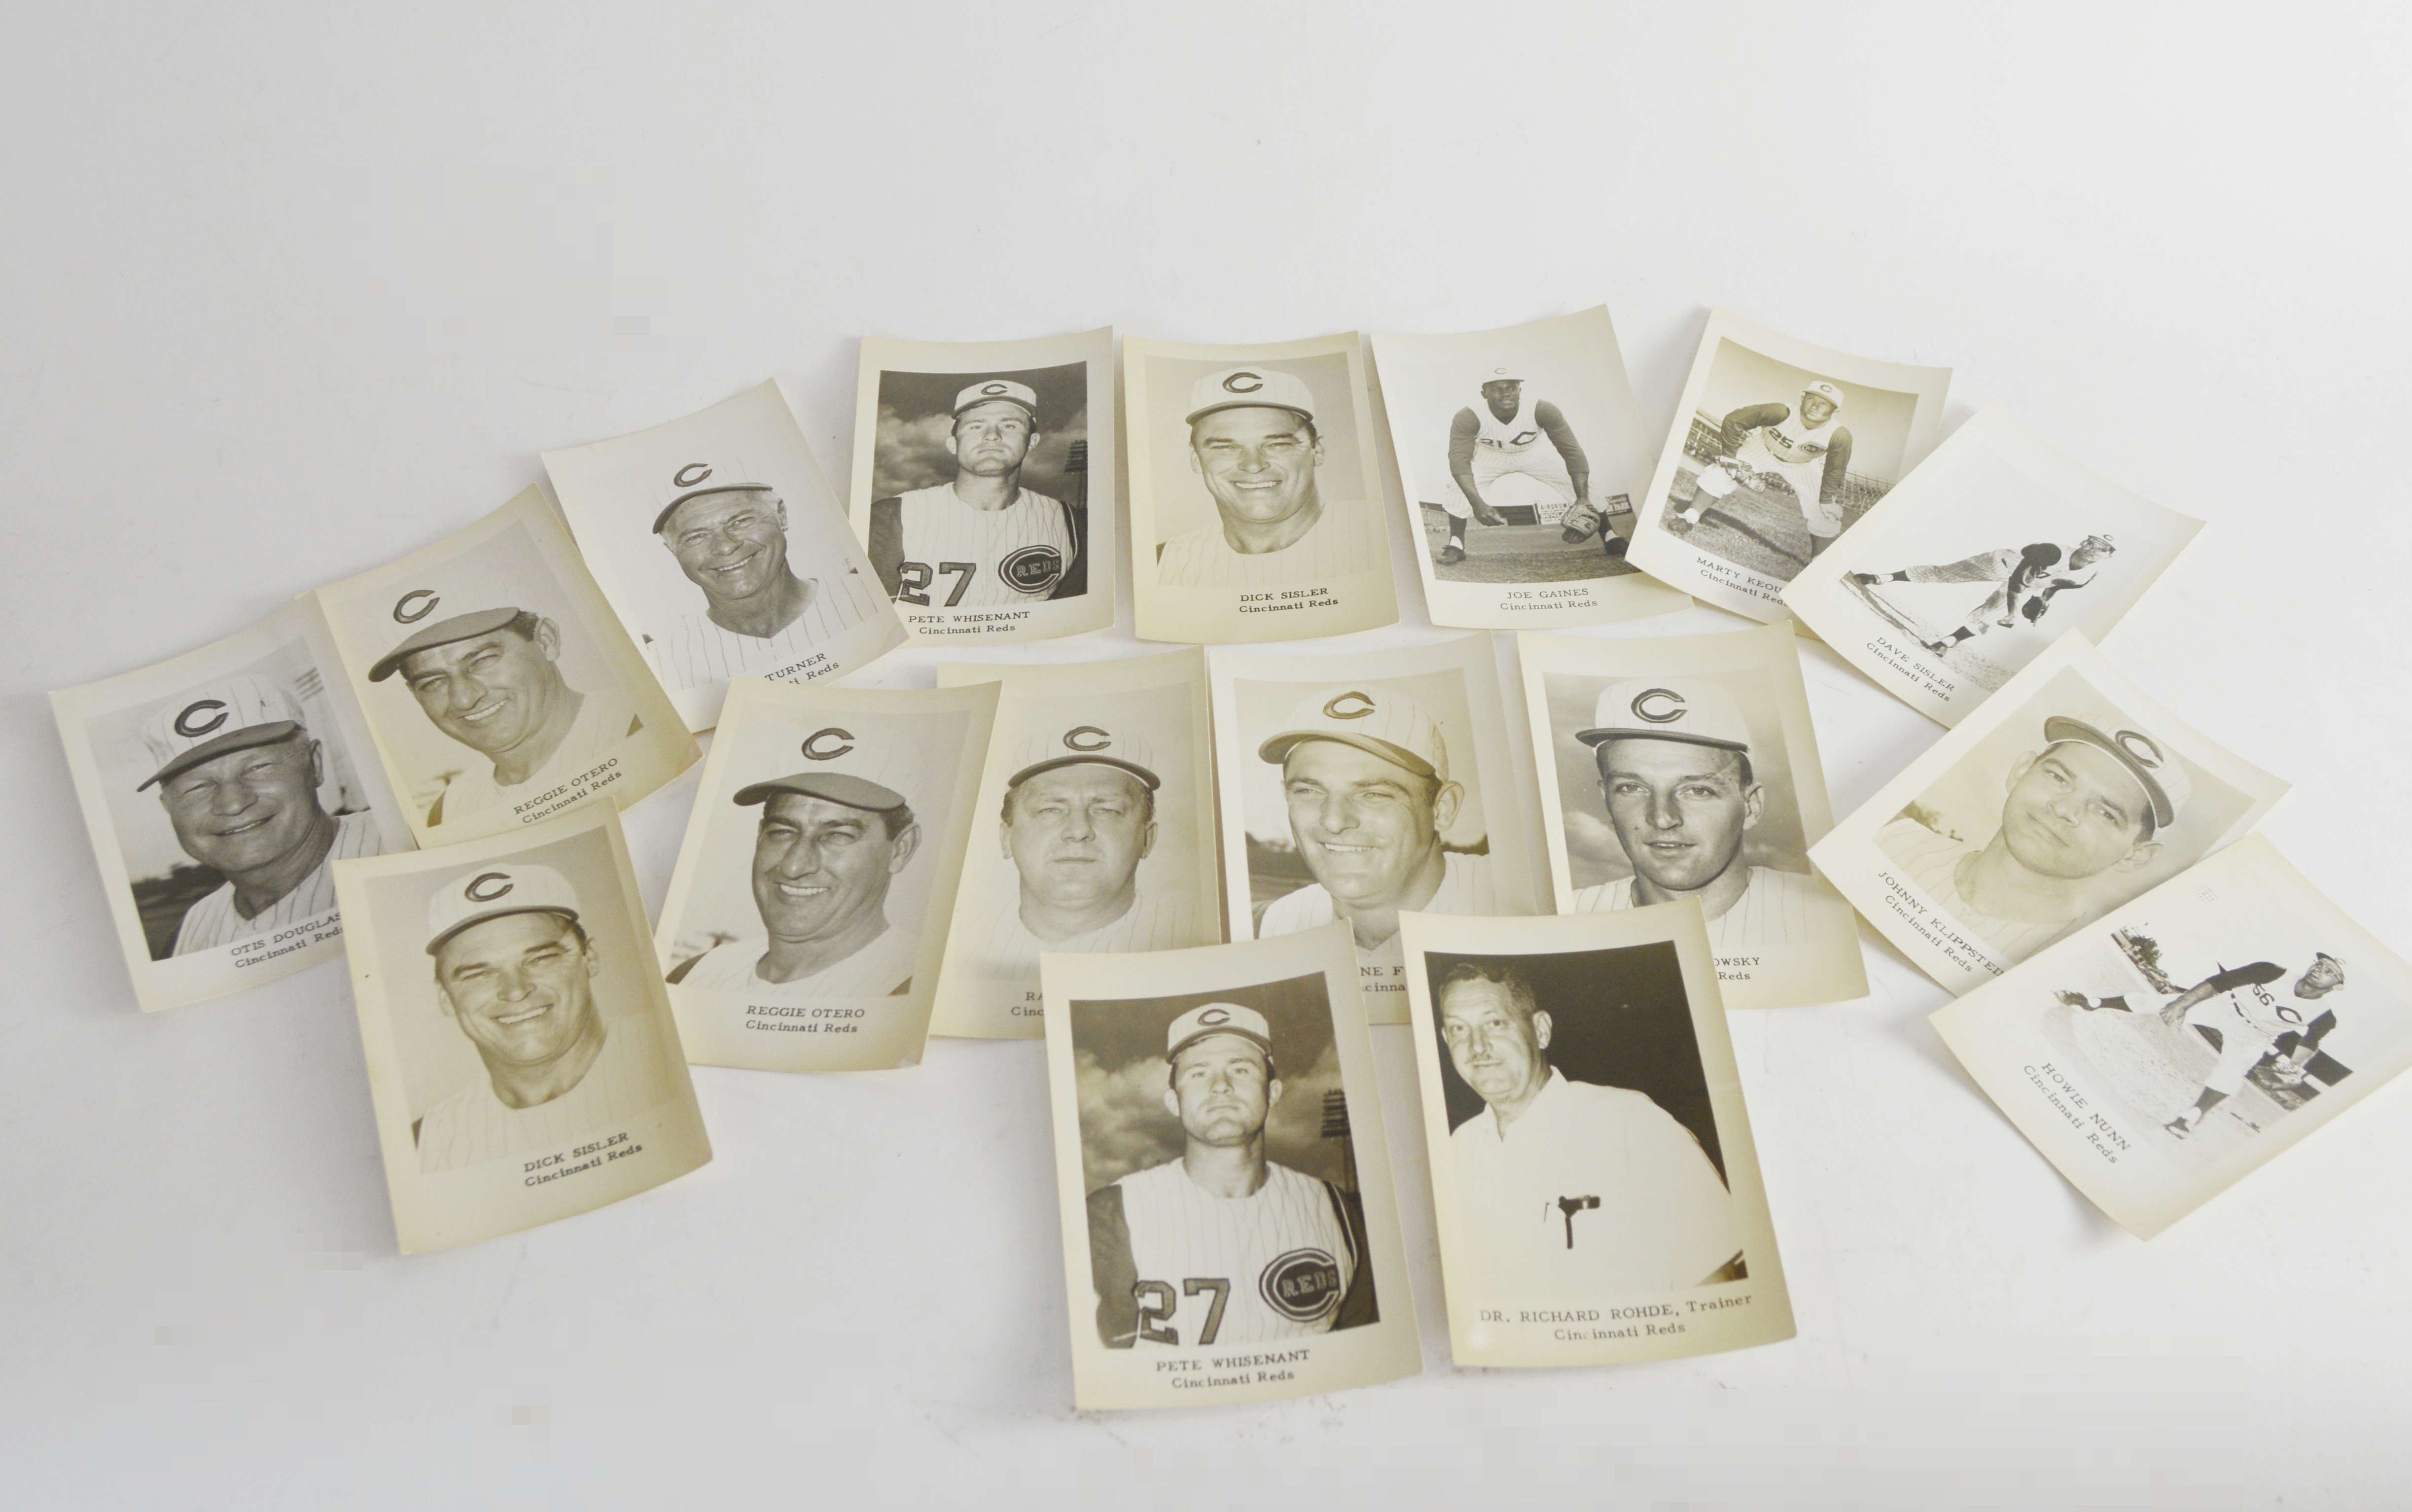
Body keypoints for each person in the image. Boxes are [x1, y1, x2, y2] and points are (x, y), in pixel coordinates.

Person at [1437, 962, 1741, 1294]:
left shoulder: (1632, 1125)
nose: (1477, 1046)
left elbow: (1717, 1288)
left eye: (1495, 1023)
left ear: (1540, 1030)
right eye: (1459, 1029)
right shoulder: (1458, 1149)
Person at [1088, 1002, 1374, 1346]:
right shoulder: (1113, 1213)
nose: (1221, 1085)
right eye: (1198, 1072)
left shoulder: (1338, 1212)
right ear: (1173, 1101)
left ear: (1273, 1092)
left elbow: (1364, 1352)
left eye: (1240, 1069)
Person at [414, 862, 677, 1173]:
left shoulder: (676, 1051)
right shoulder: (426, 1144)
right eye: (479, 974)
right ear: (445, 997)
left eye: (541, 959)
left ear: (589, 958)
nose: (515, 991)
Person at [1878, 714, 2187, 961]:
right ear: (2021, 771)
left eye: (2106, 813)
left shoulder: (2057, 964)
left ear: (2135, 856)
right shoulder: (1891, 842)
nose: (2065, 808)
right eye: (2058, 777)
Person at [1253, 685, 1495, 973]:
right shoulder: (1269, 927)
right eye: (1308, 790)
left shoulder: (1509, 900)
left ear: (1442, 808)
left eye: (1375, 795)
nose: (1334, 821)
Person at [139, 674, 384, 955]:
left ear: (314, 765)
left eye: (258, 768)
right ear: (168, 807)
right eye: (198, 787)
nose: (233, 804)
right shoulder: (185, 937)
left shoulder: (399, 840)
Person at [1568, 679, 1823, 949]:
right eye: (1632, 788)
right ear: (1607, 800)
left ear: (1750, 806)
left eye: (1697, 791)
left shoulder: (1821, 914)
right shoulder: (1567, 917)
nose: (1663, 818)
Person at [669, 739, 922, 1000]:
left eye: (838, 835)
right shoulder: (696, 974)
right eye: (782, 832)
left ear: (901, 849)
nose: (794, 866)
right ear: (759, 836)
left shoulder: (912, 985)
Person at [958, 725, 1199, 985]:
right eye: (1049, 809)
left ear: (1147, 839)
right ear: (1007, 838)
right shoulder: (956, 946)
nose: (1078, 831)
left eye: (1107, 810)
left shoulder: (1198, 941)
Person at [369, 602, 640, 827]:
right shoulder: (449, 812)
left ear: (546, 641)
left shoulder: (637, 726)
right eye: (433, 683)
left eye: (483, 660)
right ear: (415, 695)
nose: (464, 698)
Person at [647, 458, 884, 686]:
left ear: (781, 515)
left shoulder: (873, 598)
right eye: (696, 536)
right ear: (672, 549)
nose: (725, 546)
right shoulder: (665, 664)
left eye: (740, 521)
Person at [2063, 953, 2345, 1139]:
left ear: (2337, 985)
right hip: (2224, 1005)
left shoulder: (2324, 1016)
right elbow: (2220, 982)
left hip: (2254, 1035)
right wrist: (2181, 1002)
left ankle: (2190, 1117)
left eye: (2330, 971)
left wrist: (2295, 1066)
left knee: (2232, 1074)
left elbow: (2311, 1041)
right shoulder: (2272, 971)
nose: (2320, 969)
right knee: (2155, 1003)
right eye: (2320, 963)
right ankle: (2094, 1003)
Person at [1156, 366, 1384, 589]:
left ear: (1318, 450)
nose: (1253, 465)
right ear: (1195, 458)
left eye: (1277, 444)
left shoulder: (1380, 534)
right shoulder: (1163, 563)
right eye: (1225, 447)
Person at [868, 378, 1082, 607]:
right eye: (976, 426)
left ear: (1032, 442)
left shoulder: (1071, 523)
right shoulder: (893, 516)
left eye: (1010, 425)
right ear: (953, 444)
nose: (992, 435)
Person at [1436, 366, 1626, 566]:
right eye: (1497, 389)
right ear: (1484, 393)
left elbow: (1572, 453)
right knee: (1458, 489)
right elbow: (1459, 461)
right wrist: (1478, 504)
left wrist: (1582, 498)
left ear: (1520, 390)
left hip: (1532, 452)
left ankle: (1611, 537)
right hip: (1490, 455)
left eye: (1511, 387)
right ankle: (1456, 545)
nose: (1505, 392)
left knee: (1588, 487)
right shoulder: (1469, 416)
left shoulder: (1542, 409)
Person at [1667, 379, 1854, 553]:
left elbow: (1835, 469)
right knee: (1722, 473)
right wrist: (1730, 457)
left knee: (1826, 511)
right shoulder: (1782, 412)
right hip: (1762, 449)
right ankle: (1690, 517)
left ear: (1834, 412)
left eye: (1824, 404)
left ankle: (1818, 560)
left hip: (1802, 465)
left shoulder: (1839, 435)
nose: (1815, 406)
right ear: (1803, 398)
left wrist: (1827, 499)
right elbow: (1735, 420)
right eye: (1811, 399)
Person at [1850, 534, 2118, 656]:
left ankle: (1947, 643)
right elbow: (2017, 580)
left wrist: (2043, 602)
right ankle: (1882, 578)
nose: (2094, 550)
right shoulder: (2054, 553)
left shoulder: (2085, 576)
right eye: (2092, 543)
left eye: (2102, 549)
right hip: (2006, 563)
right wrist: (2015, 612)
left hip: (2032, 580)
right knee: (1945, 574)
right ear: (2084, 542)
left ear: (2107, 557)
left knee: (1993, 613)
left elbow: (2054, 585)